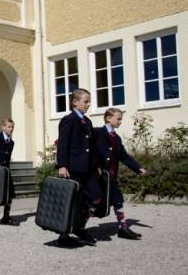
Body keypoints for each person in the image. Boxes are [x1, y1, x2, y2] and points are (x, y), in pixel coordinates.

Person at [56, 89, 101, 246]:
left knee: (96, 196)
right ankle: (63, 235)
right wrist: (62, 165)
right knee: (72, 202)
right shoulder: (69, 120)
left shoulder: (87, 122)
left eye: (89, 101)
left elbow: (92, 147)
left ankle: (79, 226)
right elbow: (63, 144)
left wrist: (96, 166)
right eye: (85, 101)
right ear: (75, 102)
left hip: (87, 169)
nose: (88, 104)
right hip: (73, 168)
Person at [94, 108, 147, 239]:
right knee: (92, 203)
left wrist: (138, 168)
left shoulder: (116, 138)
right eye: (118, 118)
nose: (120, 121)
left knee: (118, 201)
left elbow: (124, 156)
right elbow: (89, 152)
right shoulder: (97, 133)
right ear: (108, 118)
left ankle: (122, 228)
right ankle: (77, 228)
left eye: (121, 119)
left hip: (111, 177)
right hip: (98, 177)